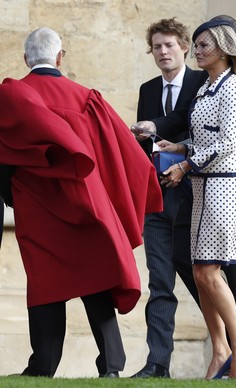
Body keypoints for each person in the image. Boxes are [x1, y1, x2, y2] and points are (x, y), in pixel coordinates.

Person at [0, 27, 163, 378]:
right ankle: (112, 366)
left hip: (37, 208)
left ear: (27, 59)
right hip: (86, 207)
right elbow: (120, 154)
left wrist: (10, 196)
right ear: (60, 58)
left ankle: (43, 365)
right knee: (96, 277)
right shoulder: (87, 99)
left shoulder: (13, 96)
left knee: (45, 282)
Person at [133, 15, 236, 378]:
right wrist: (180, 145)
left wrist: (185, 165)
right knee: (200, 272)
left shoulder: (232, 87)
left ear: (224, 48)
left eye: (203, 45)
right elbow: (204, 136)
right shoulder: (207, 87)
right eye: (196, 45)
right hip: (205, 187)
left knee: (211, 272)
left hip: (225, 188)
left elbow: (231, 142)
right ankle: (221, 349)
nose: (196, 51)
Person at [130, 17, 206, 379]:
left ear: (185, 47)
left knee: (205, 279)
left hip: (195, 195)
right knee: (159, 283)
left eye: (169, 45)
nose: (162, 52)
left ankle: (234, 349)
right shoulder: (147, 89)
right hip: (157, 199)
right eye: (157, 46)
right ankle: (157, 363)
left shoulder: (203, 82)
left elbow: (203, 135)